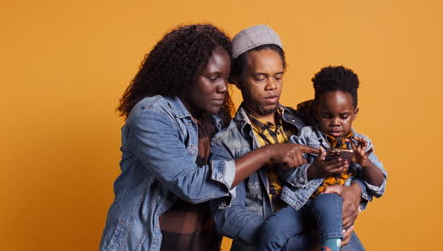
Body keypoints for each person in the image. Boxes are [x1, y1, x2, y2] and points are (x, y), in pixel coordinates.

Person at [99, 24, 316, 251]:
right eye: (213, 78)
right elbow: (191, 185)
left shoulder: (216, 122)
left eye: (225, 78)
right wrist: (268, 152)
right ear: (185, 76)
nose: (223, 88)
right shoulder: (152, 115)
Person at [210, 25, 373, 251]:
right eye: (260, 78)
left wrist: (355, 191)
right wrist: (301, 238)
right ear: (237, 79)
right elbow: (227, 216)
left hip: (321, 233)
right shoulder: (225, 142)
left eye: (278, 76)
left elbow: (356, 164)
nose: (272, 86)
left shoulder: (307, 123)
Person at [258, 66, 388, 251]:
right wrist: (315, 170)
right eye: (328, 116)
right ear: (317, 110)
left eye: (343, 116)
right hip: (301, 206)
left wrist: (364, 163)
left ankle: (331, 246)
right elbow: (286, 174)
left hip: (332, 210)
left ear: (355, 113)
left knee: (326, 200)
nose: (335, 122)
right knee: (271, 230)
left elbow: (379, 184)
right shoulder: (306, 137)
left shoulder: (361, 145)